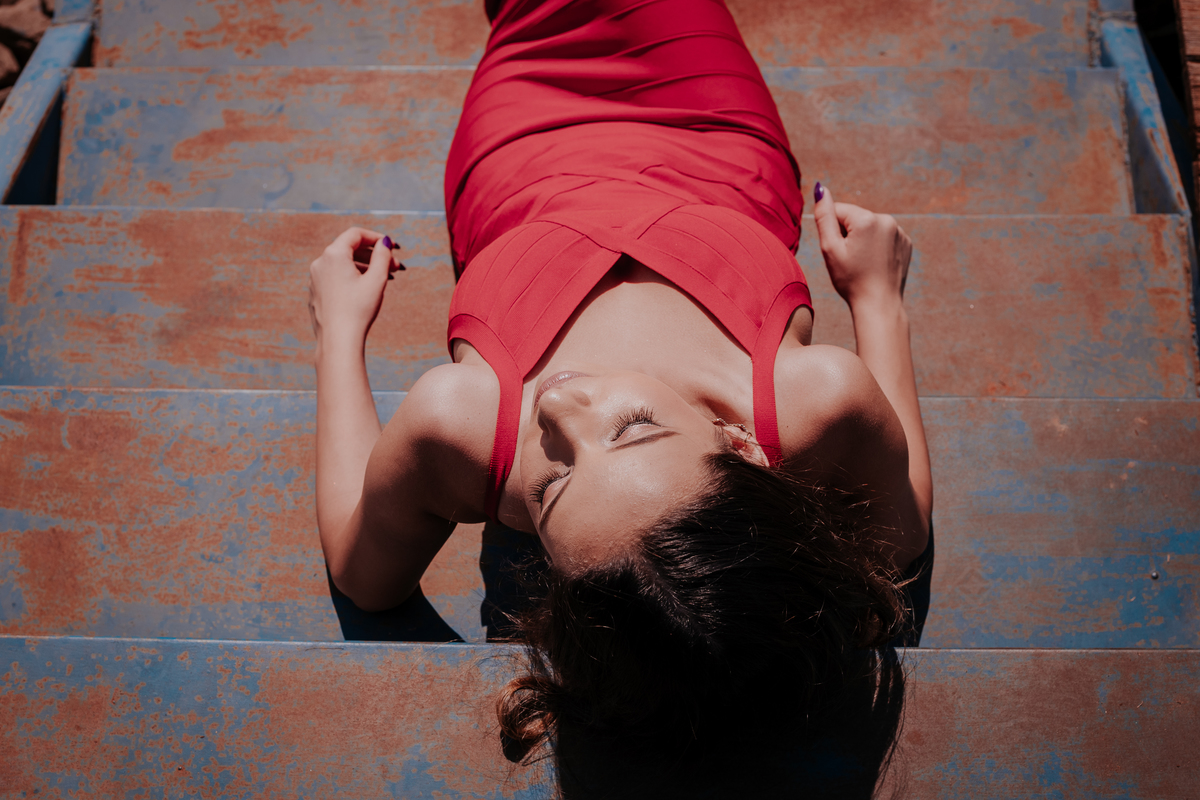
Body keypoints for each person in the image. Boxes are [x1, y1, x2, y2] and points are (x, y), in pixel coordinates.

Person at [308, 0, 932, 790]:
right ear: (739, 448)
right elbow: (903, 533)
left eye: (554, 484)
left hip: (521, 143)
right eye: (634, 429)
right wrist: (880, 300)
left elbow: (363, 572)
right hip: (709, 122)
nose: (559, 409)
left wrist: (338, 330)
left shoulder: (462, 428)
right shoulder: (814, 399)